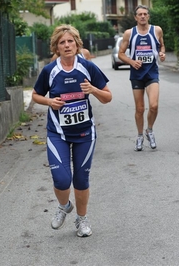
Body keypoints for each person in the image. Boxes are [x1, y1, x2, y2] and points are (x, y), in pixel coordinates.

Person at [32, 24, 112, 237]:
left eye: (70, 41)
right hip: (57, 132)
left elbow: (108, 97)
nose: (67, 45)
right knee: (61, 179)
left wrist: (93, 90)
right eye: (62, 42)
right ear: (56, 47)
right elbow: (35, 95)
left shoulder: (87, 67)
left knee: (81, 180)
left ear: (77, 44)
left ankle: (82, 220)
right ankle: (64, 206)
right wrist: (50, 101)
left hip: (85, 134)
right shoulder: (50, 70)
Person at [117, 5, 165, 151]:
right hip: (137, 75)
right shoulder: (129, 33)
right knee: (139, 108)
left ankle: (149, 130)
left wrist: (162, 54)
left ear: (148, 16)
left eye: (145, 14)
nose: (143, 16)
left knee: (154, 105)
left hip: (152, 73)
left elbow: (162, 46)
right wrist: (131, 62)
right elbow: (121, 53)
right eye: (140, 14)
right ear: (136, 17)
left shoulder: (157, 30)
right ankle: (139, 136)